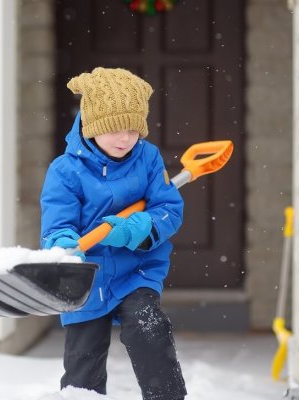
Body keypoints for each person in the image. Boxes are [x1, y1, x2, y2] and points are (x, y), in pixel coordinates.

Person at [40, 67, 186, 400]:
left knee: (149, 327)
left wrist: (135, 229)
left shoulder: (147, 159)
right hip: (84, 280)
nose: (125, 139)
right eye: (115, 129)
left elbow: (169, 211)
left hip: (136, 272)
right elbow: (56, 223)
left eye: (134, 129)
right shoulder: (65, 171)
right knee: (83, 363)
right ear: (93, 126)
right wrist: (62, 243)